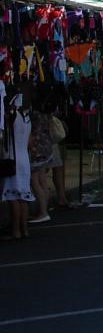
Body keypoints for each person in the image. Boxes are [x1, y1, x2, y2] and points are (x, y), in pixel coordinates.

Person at [3, 89, 34, 238]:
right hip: (24, 158)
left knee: (13, 197)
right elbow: (29, 142)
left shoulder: (11, 116)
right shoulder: (27, 116)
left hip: (13, 158)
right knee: (23, 196)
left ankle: (15, 230)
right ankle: (25, 229)